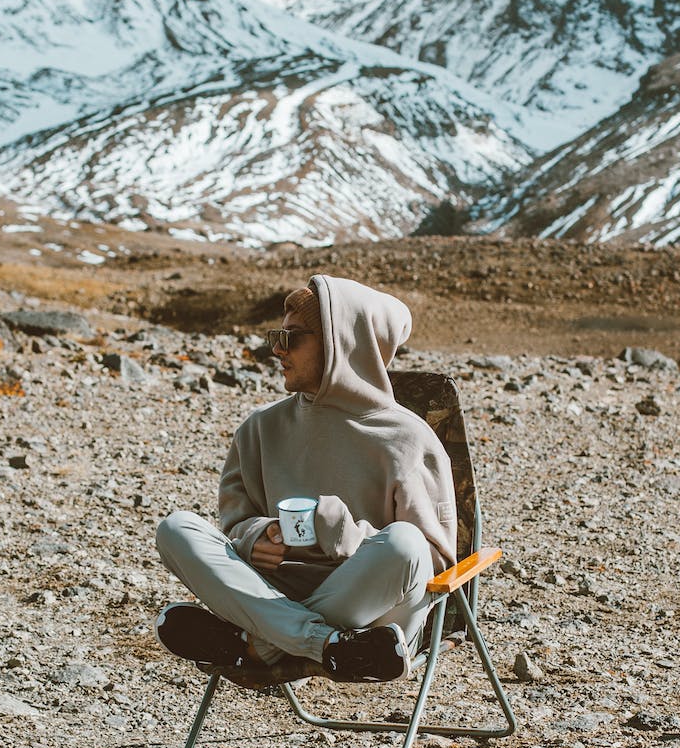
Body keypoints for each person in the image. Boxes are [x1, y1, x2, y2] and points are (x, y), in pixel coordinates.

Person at [152, 275, 455, 684]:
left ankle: (256, 645)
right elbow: (236, 524)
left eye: (292, 337)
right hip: (276, 594)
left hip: (370, 610)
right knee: (176, 528)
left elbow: (432, 562)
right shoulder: (261, 428)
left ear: (343, 342)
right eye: (277, 335)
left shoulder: (408, 438)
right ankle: (324, 644)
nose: (277, 349)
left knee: (405, 543)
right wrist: (255, 537)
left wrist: (342, 533)